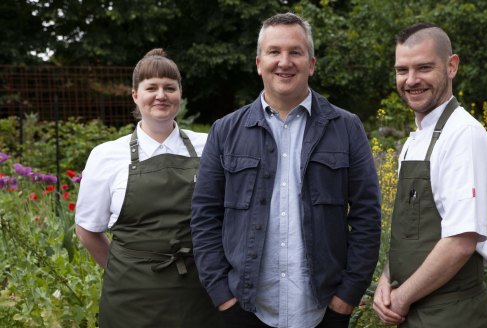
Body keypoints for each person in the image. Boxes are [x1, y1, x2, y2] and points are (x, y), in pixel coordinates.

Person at [190, 12, 381, 328]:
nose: (284, 61)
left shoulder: (346, 128)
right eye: (274, 52)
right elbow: (204, 216)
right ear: (258, 63)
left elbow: (366, 216)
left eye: (295, 52)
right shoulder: (225, 131)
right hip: (247, 312)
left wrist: (347, 296)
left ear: (312, 63)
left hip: (324, 311)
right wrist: (223, 296)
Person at [74, 48, 222, 327]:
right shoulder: (106, 155)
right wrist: (128, 270)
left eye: (170, 87)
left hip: (201, 292)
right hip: (131, 298)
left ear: (180, 93)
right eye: (151, 87)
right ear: (135, 95)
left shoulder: (210, 146)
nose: (161, 95)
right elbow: (87, 231)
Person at [372, 23, 487, 327]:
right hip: (418, 312)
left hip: (454, 314)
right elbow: (414, 233)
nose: (411, 80)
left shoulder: (464, 136)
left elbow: (461, 241)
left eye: (424, 68)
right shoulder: (415, 140)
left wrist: (401, 299)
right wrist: (387, 277)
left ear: (451, 66)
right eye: (402, 70)